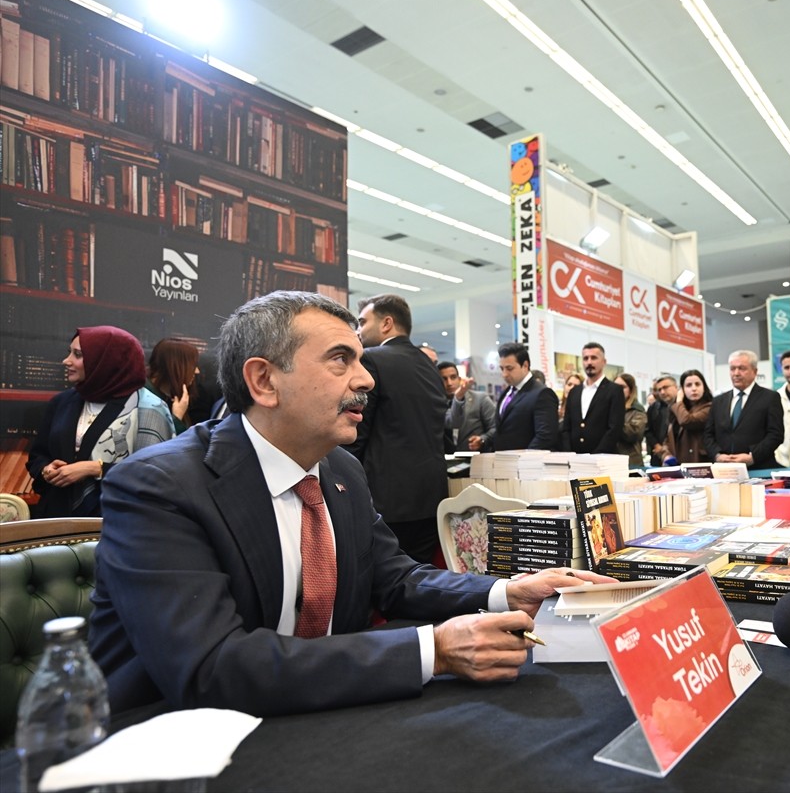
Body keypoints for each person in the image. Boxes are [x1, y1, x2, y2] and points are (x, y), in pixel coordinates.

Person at [87, 290, 611, 718]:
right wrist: (435, 650)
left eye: (360, 358)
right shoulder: (159, 486)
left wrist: (506, 591)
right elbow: (213, 668)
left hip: (318, 718)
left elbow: (396, 578)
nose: (366, 379)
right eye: (342, 360)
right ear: (263, 381)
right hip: (177, 742)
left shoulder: (341, 469)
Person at [27, 327, 175, 518]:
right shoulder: (63, 401)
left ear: (105, 361)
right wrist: (46, 470)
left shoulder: (149, 408)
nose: (66, 361)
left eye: (78, 355)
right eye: (69, 352)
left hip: (118, 522)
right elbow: (38, 456)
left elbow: (156, 474)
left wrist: (95, 469)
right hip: (57, 518)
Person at [348, 294, 447, 564]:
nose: (359, 330)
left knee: (382, 587)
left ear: (387, 323)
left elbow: (358, 433)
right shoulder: (430, 367)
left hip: (386, 501)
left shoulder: (372, 360)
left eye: (363, 322)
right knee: (420, 583)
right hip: (430, 498)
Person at [702, 350, 783, 470]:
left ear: (755, 372)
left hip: (759, 468)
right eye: (732, 368)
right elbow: (708, 434)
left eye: (742, 368)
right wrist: (717, 455)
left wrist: (752, 456)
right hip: (724, 470)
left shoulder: (770, 398)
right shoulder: (718, 401)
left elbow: (776, 434)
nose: (736, 373)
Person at [482, 342, 559, 451]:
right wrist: (484, 441)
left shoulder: (542, 394)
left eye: (509, 368)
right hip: (502, 462)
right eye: (502, 368)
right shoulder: (507, 392)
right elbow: (502, 429)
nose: (504, 374)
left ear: (525, 365)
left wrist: (522, 460)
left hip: (525, 464)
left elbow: (545, 436)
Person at [560, 342, 623, 454]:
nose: (589, 362)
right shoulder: (575, 391)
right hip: (575, 459)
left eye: (594, 358)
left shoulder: (614, 390)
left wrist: (596, 456)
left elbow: (614, 428)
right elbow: (566, 427)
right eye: (585, 358)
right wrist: (569, 453)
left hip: (603, 459)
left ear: (604, 362)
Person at [145, 338, 200, 435]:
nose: (197, 371)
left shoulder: (167, 395)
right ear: (175, 366)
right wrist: (177, 418)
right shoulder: (146, 400)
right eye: (192, 365)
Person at [440, 361, 497, 452]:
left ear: (459, 379)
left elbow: (496, 427)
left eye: (453, 377)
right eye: (444, 379)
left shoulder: (480, 399)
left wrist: (482, 439)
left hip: (474, 458)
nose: (449, 383)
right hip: (445, 459)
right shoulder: (437, 404)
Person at [664, 369, 713, 465]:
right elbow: (668, 438)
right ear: (682, 389)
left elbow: (687, 421)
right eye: (688, 385)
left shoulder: (710, 407)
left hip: (699, 462)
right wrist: (666, 455)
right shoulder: (677, 409)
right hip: (678, 463)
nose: (694, 388)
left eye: (697, 384)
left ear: (704, 387)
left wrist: (678, 401)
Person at [613, 373, 648, 468]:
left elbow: (634, 433)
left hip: (631, 462)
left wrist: (613, 420)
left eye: (622, 387)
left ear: (631, 390)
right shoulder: (609, 408)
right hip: (611, 461)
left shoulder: (637, 410)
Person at [646, 374, 678, 466]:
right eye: (659, 389)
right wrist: (657, 446)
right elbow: (647, 430)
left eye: (665, 387)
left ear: (676, 387)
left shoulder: (682, 407)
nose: (662, 392)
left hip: (678, 454)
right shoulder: (653, 408)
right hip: (658, 455)